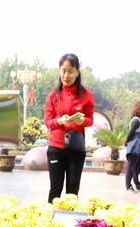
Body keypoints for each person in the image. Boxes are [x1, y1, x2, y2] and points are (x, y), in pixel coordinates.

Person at [44, 53, 94, 203]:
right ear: (59, 71)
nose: (66, 75)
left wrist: (82, 121)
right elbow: (48, 122)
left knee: (72, 191)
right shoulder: (53, 95)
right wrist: (59, 121)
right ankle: (49, 224)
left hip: (76, 148)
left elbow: (90, 120)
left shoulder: (86, 95)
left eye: (71, 71)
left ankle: (71, 224)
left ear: (77, 72)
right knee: (55, 188)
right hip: (56, 148)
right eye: (63, 71)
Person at [125, 101, 140, 192]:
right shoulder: (135, 120)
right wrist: (126, 141)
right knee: (131, 166)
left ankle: (137, 184)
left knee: (137, 166)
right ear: (139, 108)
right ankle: (128, 186)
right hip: (135, 146)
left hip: (139, 146)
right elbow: (130, 132)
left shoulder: (138, 120)